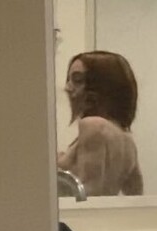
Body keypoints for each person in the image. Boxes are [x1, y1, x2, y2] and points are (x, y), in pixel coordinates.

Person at [57, 51, 143, 197]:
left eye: (77, 80)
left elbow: (89, 192)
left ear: (100, 87)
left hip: (82, 212)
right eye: (69, 79)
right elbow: (136, 196)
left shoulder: (92, 126)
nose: (67, 87)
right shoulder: (128, 142)